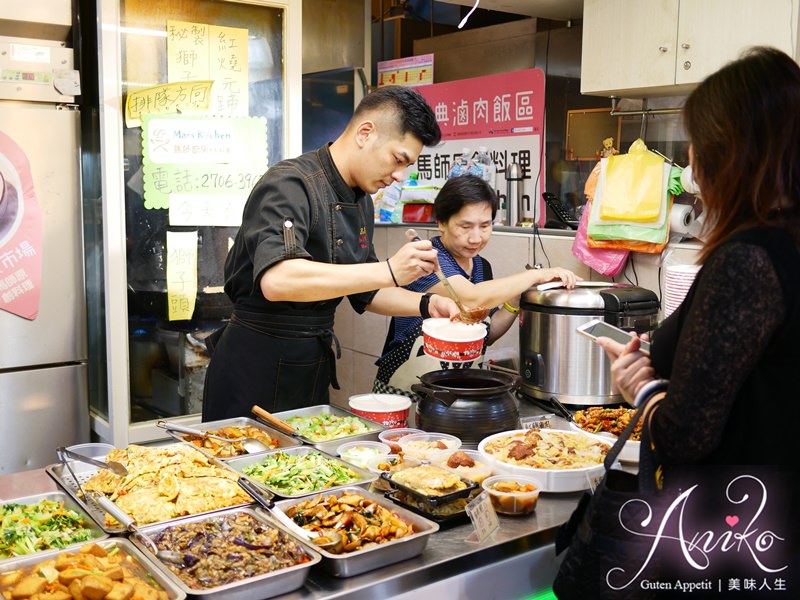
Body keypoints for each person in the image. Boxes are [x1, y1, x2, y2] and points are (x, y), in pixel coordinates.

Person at [597, 46, 799, 582]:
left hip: (731, 537)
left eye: (697, 147)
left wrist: (638, 389)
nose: (690, 166)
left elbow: (687, 434)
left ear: (730, 151)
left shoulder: (749, 259)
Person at [202, 85, 461, 421]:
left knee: (307, 469)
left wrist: (426, 305)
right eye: (399, 160)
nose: (400, 176)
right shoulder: (290, 183)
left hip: (311, 362)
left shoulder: (361, 200)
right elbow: (278, 280)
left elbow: (365, 291)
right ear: (366, 133)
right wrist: (390, 270)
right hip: (255, 363)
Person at [373, 174, 579, 398]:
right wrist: (536, 275)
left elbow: (484, 336)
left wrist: (513, 302)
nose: (476, 238)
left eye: (485, 226)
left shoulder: (482, 267)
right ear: (441, 223)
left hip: (457, 388)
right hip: (404, 390)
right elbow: (470, 297)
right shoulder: (426, 262)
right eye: (465, 226)